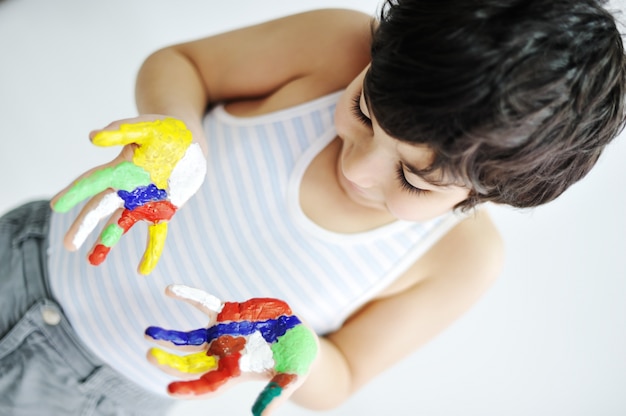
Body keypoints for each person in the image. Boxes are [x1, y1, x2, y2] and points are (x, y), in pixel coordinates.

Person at [1, 0, 624, 415]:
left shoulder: (461, 261)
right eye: (362, 113)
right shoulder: (336, 48)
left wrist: (286, 343)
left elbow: (344, 374)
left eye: (411, 176)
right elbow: (181, 64)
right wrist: (174, 135)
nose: (357, 166)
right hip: (24, 256)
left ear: (485, 193)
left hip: (100, 392)